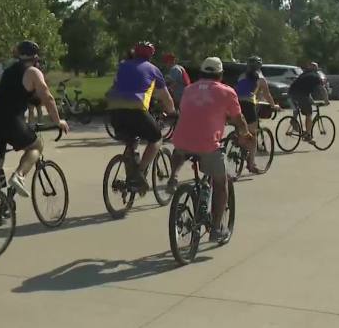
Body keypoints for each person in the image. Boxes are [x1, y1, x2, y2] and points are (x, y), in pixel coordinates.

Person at [166, 57, 253, 242]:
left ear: (201, 73)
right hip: (207, 145)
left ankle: (173, 176)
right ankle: (216, 228)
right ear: (220, 75)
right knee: (221, 183)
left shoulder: (189, 90)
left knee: (181, 148)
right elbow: (239, 120)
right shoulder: (227, 92)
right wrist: (245, 135)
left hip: (181, 141)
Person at [0, 40, 69, 197]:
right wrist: (58, 121)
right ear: (35, 57)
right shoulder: (32, 72)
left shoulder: (8, 71)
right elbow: (48, 98)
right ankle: (19, 176)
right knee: (36, 146)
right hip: (11, 121)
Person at [106, 41, 176, 194]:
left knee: (131, 140)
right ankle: (139, 173)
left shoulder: (123, 65)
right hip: (136, 110)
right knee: (156, 138)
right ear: (151, 55)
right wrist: (172, 112)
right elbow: (166, 98)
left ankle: (130, 174)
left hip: (114, 111)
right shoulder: (154, 70)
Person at [235, 56, 280, 173]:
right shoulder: (260, 78)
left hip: (235, 104)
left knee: (241, 128)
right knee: (253, 136)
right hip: (248, 105)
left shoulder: (241, 76)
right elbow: (267, 95)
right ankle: (251, 164)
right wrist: (273, 105)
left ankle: (238, 144)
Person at [287, 61, 325, 142]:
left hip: (290, 94)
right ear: (317, 69)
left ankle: (294, 121)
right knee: (309, 114)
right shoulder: (316, 76)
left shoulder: (303, 74)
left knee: (297, 109)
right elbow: (322, 89)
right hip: (300, 95)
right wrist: (326, 100)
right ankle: (308, 135)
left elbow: (306, 91)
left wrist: (312, 101)